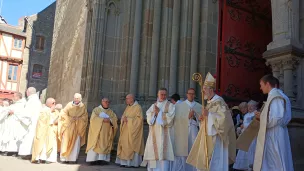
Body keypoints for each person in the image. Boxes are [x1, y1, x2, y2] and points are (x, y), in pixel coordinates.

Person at [186, 72, 236, 171]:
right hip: (207, 135)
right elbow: (207, 120)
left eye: (204, 89)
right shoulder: (209, 103)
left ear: (211, 89)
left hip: (216, 137)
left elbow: (224, 120)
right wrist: (202, 119)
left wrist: (209, 115)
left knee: (215, 161)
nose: (202, 91)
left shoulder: (219, 101)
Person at [253, 75, 294, 171]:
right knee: (274, 161)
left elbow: (276, 118)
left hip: (274, 133)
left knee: (276, 161)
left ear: (267, 84)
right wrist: (262, 116)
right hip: (276, 131)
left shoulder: (276, 97)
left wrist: (261, 117)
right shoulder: (278, 96)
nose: (260, 88)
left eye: (261, 85)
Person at [141, 88, 175, 171]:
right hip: (153, 134)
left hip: (164, 134)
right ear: (158, 95)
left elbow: (170, 118)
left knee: (163, 155)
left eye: (164, 94)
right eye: (161, 94)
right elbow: (149, 119)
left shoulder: (170, 105)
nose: (163, 96)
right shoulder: (153, 106)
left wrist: (159, 113)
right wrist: (154, 114)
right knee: (153, 153)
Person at [171, 88, 202, 171]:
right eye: (189, 93)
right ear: (186, 94)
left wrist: (195, 116)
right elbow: (176, 119)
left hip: (194, 129)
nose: (191, 95)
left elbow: (202, 121)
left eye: (193, 94)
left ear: (195, 95)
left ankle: (193, 169)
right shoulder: (179, 106)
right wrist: (187, 117)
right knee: (182, 150)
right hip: (182, 131)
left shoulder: (199, 106)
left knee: (193, 149)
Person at [86, 97, 118, 165]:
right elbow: (93, 119)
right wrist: (102, 120)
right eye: (105, 102)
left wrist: (110, 120)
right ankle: (93, 160)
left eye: (108, 102)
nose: (107, 103)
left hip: (106, 133)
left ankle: (103, 160)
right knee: (95, 144)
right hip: (96, 132)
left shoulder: (111, 112)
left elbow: (114, 120)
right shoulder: (96, 110)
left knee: (105, 144)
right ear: (102, 102)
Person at [116, 94, 144, 168]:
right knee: (125, 145)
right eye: (126, 98)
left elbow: (139, 120)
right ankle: (124, 162)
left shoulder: (138, 107)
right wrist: (123, 119)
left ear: (132, 99)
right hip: (126, 130)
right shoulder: (128, 107)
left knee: (131, 146)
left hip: (133, 132)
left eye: (127, 98)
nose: (126, 100)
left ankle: (132, 163)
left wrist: (128, 120)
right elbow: (123, 116)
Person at [59, 93, 88, 164]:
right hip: (68, 127)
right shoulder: (69, 105)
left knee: (75, 144)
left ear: (80, 99)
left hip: (77, 128)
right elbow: (63, 113)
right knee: (65, 142)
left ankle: (73, 159)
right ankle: (64, 158)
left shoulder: (83, 106)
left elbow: (85, 117)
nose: (76, 99)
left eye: (78, 98)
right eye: (75, 98)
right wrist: (69, 118)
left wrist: (78, 119)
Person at [31, 98, 59, 164]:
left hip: (51, 131)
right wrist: (50, 112)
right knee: (42, 145)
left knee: (51, 144)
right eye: (53, 103)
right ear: (48, 103)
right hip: (43, 131)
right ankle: (39, 158)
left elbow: (57, 118)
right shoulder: (43, 110)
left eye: (54, 103)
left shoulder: (55, 111)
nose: (54, 104)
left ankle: (49, 159)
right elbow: (42, 121)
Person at [17, 87, 42, 158]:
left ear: (28, 92)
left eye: (26, 92)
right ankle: (31, 153)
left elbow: (26, 113)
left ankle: (27, 153)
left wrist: (20, 118)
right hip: (36, 122)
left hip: (30, 122)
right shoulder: (37, 101)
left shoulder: (31, 101)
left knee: (28, 138)